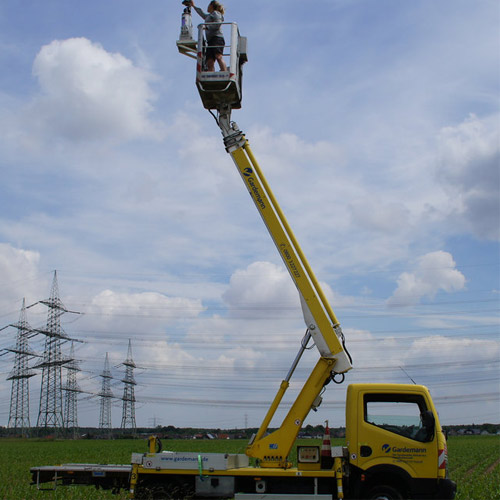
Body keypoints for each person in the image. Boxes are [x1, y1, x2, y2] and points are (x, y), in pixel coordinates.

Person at [188, 1, 227, 72]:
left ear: (212, 6)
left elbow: (218, 24)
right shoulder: (209, 16)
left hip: (217, 38)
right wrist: (193, 6)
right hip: (210, 41)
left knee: (218, 56)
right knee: (210, 61)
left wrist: (207, 27)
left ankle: (224, 71)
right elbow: (202, 13)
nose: (207, 7)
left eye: (209, 5)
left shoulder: (216, 13)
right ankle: (211, 74)